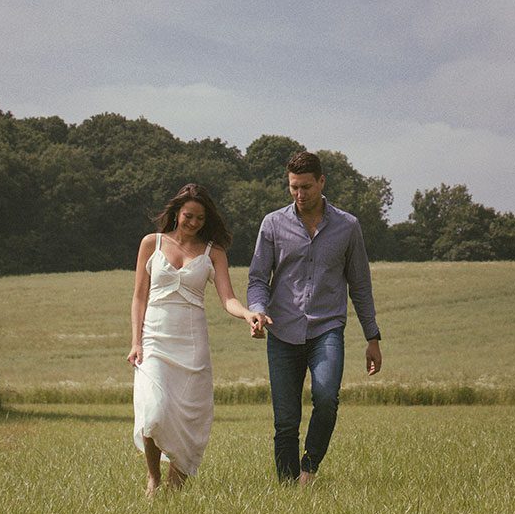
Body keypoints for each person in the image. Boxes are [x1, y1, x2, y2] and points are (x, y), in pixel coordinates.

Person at [247, 150, 383, 485]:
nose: (299, 194)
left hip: (327, 329)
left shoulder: (348, 227)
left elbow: (360, 285)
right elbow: (257, 278)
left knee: (326, 397)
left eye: (306, 186)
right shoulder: (273, 224)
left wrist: (372, 337)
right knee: (286, 419)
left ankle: (309, 469)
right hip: (282, 330)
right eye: (293, 187)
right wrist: (258, 309)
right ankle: (288, 488)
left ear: (321, 182)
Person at [128, 184, 269, 496]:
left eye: (200, 219)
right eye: (188, 216)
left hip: (192, 344)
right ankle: (153, 478)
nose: (193, 222)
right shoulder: (152, 243)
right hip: (154, 339)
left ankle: (175, 490)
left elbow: (227, 298)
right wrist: (136, 342)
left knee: (189, 415)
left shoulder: (213, 253)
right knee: (153, 409)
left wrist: (247, 314)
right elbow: (139, 297)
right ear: (177, 213)